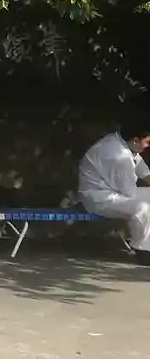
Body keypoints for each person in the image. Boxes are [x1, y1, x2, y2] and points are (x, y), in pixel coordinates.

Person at [77, 113, 150, 265]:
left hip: (113, 190)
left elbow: (141, 168)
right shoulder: (119, 156)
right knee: (142, 208)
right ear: (136, 140)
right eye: (147, 142)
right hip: (98, 198)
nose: (148, 146)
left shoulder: (122, 142)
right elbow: (129, 192)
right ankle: (143, 252)